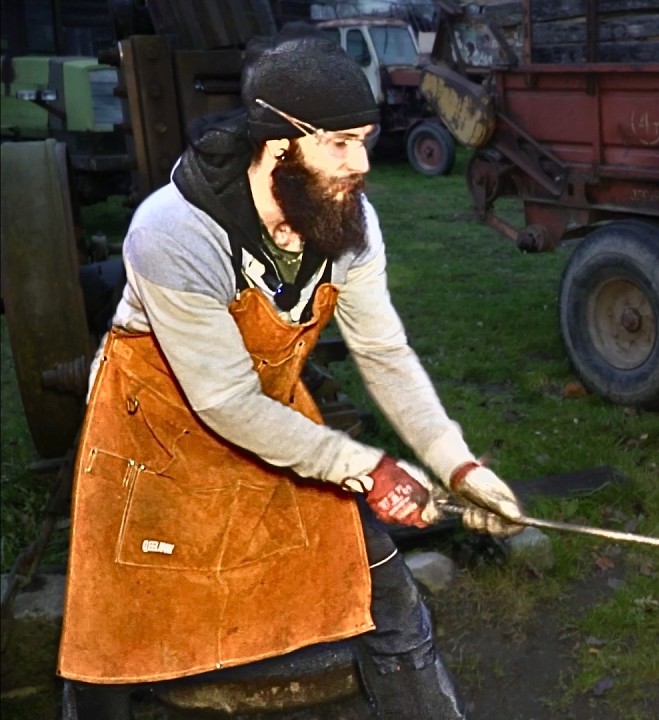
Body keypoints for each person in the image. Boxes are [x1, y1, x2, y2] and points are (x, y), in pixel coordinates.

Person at [56, 24, 522, 720]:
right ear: (277, 144)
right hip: (152, 445)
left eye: (363, 138)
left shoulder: (346, 219)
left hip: (276, 431)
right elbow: (225, 403)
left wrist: (455, 466)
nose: (360, 162)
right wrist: (369, 469)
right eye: (339, 143)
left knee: (383, 591)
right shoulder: (173, 232)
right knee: (115, 643)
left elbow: (384, 354)